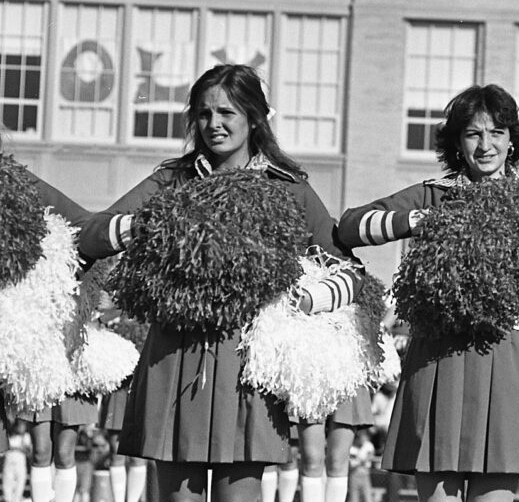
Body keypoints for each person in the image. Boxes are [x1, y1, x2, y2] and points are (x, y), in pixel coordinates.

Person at [77, 64, 367, 502]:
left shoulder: (290, 189)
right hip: (174, 354)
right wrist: (153, 223)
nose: (214, 123)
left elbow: (350, 271)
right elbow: (92, 233)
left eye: (227, 112)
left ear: (254, 117)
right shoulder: (173, 180)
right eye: (204, 113)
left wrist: (307, 299)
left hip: (249, 363)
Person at [336, 84, 519, 502]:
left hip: (508, 363)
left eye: (497, 132)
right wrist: (417, 220)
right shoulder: (432, 195)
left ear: (512, 140)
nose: (485, 145)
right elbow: (351, 226)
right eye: (473, 134)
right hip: (436, 361)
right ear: (457, 143)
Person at [1, 139, 94, 502]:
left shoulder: (83, 269)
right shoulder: (31, 265)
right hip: (39, 362)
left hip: (71, 366)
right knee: (41, 450)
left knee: (66, 452)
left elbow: (88, 226)